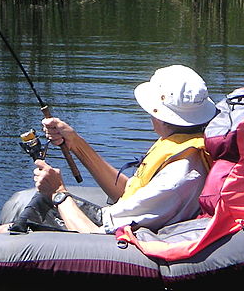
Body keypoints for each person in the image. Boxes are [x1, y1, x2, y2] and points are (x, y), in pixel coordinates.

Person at [21, 64, 218, 235]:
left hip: (104, 240)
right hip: (117, 224)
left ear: (159, 114)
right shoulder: (181, 146)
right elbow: (125, 194)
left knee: (10, 229)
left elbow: (91, 236)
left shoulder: (179, 175)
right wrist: (75, 142)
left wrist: (58, 192)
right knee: (24, 215)